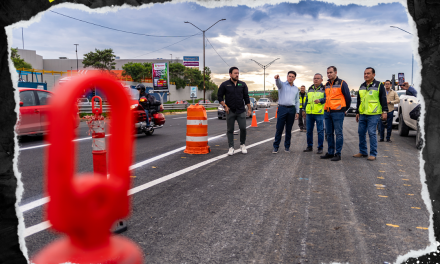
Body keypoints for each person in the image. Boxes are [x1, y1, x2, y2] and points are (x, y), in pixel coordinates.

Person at [353, 67, 388, 161]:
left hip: (374, 113)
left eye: (368, 73)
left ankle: (373, 153)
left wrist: (384, 111)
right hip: (363, 113)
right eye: (365, 73)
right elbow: (359, 100)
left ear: (374, 74)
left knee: (372, 132)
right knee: (361, 132)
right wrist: (357, 112)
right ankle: (363, 151)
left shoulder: (379, 85)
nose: (366, 75)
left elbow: (383, 99)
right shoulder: (362, 86)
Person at [217, 67, 251, 156]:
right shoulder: (225, 84)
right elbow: (219, 96)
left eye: (238, 73)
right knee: (230, 130)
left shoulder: (243, 84)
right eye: (235, 73)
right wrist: (225, 106)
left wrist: (249, 108)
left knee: (243, 128)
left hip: (241, 110)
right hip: (230, 111)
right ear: (230, 74)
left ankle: (242, 144)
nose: (237, 75)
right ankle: (231, 147)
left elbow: (246, 97)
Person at [320, 66, 351, 161]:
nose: (329, 74)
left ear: (335, 72)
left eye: (330, 72)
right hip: (327, 112)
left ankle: (338, 154)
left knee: (338, 133)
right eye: (327, 73)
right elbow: (326, 98)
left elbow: (348, 98)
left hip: (338, 112)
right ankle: (330, 152)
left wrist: (344, 109)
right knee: (329, 133)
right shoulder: (326, 84)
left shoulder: (342, 83)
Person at [272, 71, 299, 153]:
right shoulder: (282, 85)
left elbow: (297, 101)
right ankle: (276, 147)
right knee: (279, 128)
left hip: (291, 109)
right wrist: (277, 79)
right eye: (289, 76)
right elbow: (278, 83)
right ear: (287, 77)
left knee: (289, 129)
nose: (290, 77)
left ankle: (287, 147)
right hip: (282, 108)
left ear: (294, 78)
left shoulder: (296, 89)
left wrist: (297, 112)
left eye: (292, 76)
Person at [303, 73, 326, 154]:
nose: (316, 79)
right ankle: (309, 146)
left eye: (318, 78)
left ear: (321, 80)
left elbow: (327, 98)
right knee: (309, 131)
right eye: (314, 78)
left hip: (319, 113)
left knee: (320, 131)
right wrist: (303, 110)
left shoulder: (324, 88)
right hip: (309, 113)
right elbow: (306, 100)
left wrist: (321, 100)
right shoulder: (310, 88)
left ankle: (320, 147)